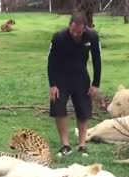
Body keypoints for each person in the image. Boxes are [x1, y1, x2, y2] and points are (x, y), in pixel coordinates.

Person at [47, 12, 102, 157]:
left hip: (81, 77)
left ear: (85, 28)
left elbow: (97, 60)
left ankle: (82, 145)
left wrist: (96, 83)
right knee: (59, 109)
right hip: (61, 78)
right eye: (73, 31)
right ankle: (65, 145)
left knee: (83, 112)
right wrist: (52, 85)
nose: (75, 34)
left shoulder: (92, 37)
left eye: (79, 31)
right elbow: (51, 62)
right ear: (69, 26)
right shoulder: (59, 37)